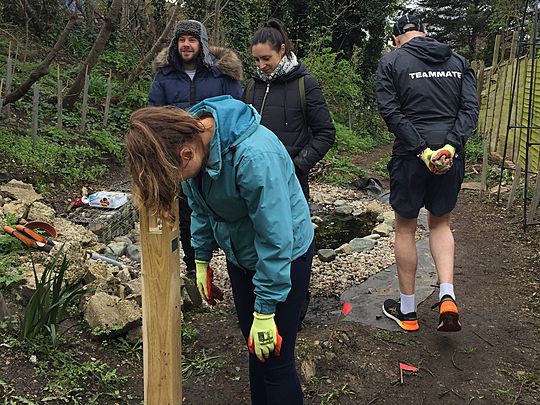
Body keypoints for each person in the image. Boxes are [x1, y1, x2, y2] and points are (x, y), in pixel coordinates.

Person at [124, 95, 314, 405]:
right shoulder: (191, 148)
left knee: (276, 362)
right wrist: (201, 258)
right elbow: (201, 207)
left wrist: (265, 308)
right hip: (242, 254)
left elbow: (276, 238)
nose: (178, 183)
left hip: (285, 257)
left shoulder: (254, 158)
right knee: (255, 350)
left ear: (187, 153)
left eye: (175, 176)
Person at [376, 14, 479, 332]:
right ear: (425, 33)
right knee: (441, 223)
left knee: (405, 229)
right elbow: (470, 109)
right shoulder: (459, 61)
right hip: (450, 156)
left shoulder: (391, 63)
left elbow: (390, 111)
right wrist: (449, 146)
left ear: (396, 38)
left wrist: (423, 150)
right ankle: (447, 294)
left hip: (411, 156)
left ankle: (407, 312)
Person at [245, 18, 336, 328]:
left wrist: (297, 166)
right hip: (254, 183)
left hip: (292, 183)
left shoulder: (305, 84)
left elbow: (325, 133)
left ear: (282, 51)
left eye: (266, 59)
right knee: (257, 244)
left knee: (293, 247)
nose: (261, 65)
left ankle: (295, 309)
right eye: (256, 59)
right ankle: (260, 307)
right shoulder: (253, 85)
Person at [147, 19, 243, 278]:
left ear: (201, 43)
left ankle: (238, 261)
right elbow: (153, 116)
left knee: (225, 205)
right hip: (180, 157)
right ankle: (194, 266)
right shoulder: (165, 77)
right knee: (189, 210)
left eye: (192, 39)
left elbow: (238, 111)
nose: (186, 45)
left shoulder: (221, 74)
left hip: (216, 154)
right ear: (175, 43)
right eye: (181, 40)